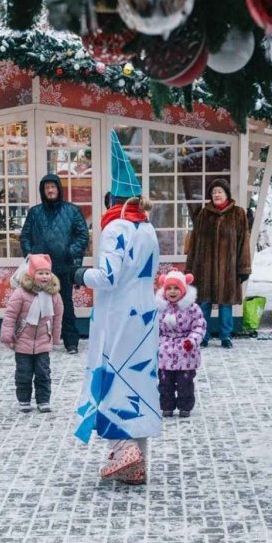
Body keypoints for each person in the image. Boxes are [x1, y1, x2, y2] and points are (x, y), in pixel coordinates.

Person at [75, 185, 161, 485]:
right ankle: (139, 464)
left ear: (111, 201)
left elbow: (108, 277)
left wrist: (79, 274)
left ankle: (123, 450)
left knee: (113, 379)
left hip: (119, 316)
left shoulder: (115, 227)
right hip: (145, 315)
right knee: (139, 383)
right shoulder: (148, 228)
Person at [18, 174, 90, 354]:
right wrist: (31, 254)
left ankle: (71, 342)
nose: (50, 190)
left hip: (63, 266)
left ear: (59, 188)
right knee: (36, 305)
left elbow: (83, 235)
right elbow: (25, 236)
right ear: (42, 191)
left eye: (53, 187)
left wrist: (70, 251)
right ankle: (39, 341)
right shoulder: (35, 212)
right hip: (39, 269)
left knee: (65, 304)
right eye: (46, 187)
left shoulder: (72, 211)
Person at [183, 177, 252, 348]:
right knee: (204, 303)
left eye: (220, 191)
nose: (216, 194)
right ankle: (203, 336)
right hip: (204, 268)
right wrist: (190, 268)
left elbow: (244, 242)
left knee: (225, 303)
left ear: (227, 194)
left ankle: (225, 336)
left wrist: (243, 268)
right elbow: (194, 243)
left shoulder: (238, 213)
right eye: (214, 192)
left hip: (228, 268)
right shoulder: (203, 214)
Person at [0, 254, 65, 413]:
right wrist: (7, 335)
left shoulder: (54, 295)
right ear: (31, 274)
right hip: (23, 341)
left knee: (43, 373)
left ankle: (43, 400)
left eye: (47, 273)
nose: (44, 276)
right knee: (23, 374)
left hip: (43, 341)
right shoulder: (20, 293)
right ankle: (24, 400)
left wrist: (55, 338)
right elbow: (10, 315)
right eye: (40, 273)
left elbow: (57, 318)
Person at [156, 269, 207, 418]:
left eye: (176, 288)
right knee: (165, 383)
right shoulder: (159, 308)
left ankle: (185, 407)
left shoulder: (192, 308)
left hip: (185, 353)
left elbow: (199, 326)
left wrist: (192, 341)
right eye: (169, 288)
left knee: (185, 383)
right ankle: (167, 406)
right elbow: (153, 328)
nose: (172, 292)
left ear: (183, 290)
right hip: (165, 353)